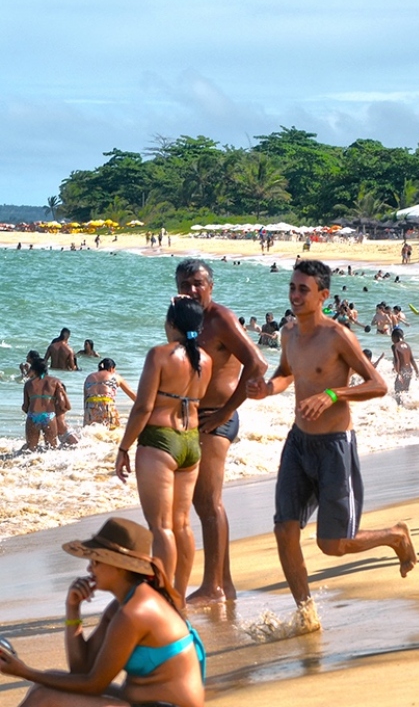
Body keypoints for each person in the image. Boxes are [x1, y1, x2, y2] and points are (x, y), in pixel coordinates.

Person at [247, 260, 415, 622]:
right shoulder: (289, 333)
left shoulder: (339, 336)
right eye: (292, 287)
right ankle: (306, 614)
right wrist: (266, 389)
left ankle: (395, 536)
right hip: (298, 444)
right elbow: (285, 375)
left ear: (323, 295)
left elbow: (378, 385)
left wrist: (334, 395)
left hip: (334, 447)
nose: (294, 295)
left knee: (334, 545)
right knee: (284, 530)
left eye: (302, 289)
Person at [0, 518, 205, 707]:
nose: (90, 569)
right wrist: (72, 609)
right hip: (143, 702)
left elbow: (94, 684)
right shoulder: (121, 607)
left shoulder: (135, 613)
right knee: (47, 684)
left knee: (43, 697)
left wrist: (24, 672)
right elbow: (81, 671)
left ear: (120, 567)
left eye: (96, 561)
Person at [175, 258, 268, 608]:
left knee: (208, 502)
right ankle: (222, 584)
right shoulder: (187, 322)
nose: (192, 289)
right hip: (195, 419)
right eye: (185, 284)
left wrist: (228, 411)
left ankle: (214, 586)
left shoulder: (220, 319)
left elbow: (258, 363)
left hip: (217, 418)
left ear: (211, 286)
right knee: (200, 504)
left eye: (198, 283)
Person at [114, 297, 213, 597]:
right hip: (190, 443)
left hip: (160, 440)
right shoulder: (206, 360)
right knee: (182, 525)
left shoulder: (159, 354)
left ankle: (163, 595)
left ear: (171, 324)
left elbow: (143, 407)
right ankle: (179, 595)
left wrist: (124, 447)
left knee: (160, 527)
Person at [23, 358, 69, 451]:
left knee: (31, 449)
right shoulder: (55, 382)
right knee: (52, 448)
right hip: (49, 416)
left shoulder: (28, 384)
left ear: (34, 370)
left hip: (32, 416)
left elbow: (25, 407)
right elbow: (62, 403)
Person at [83, 359, 136, 429]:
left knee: (90, 432)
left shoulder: (89, 377)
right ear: (111, 368)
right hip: (106, 403)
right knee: (112, 431)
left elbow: (85, 399)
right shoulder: (114, 376)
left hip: (90, 404)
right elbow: (132, 394)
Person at [391, 328, 419, 400]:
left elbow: (397, 360)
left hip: (402, 371)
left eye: (391, 338)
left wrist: (398, 373)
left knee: (397, 391)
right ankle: (408, 407)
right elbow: (412, 360)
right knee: (406, 391)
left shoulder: (395, 346)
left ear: (395, 337)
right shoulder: (407, 345)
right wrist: (417, 372)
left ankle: (399, 409)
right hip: (409, 371)